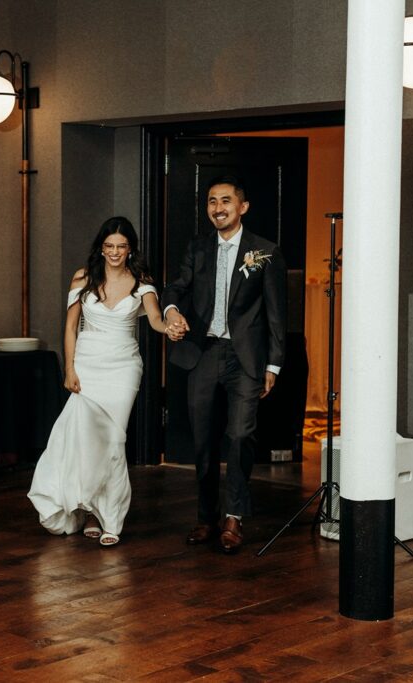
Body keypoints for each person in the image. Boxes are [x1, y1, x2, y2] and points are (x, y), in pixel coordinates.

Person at [161, 174, 287, 554]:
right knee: (202, 440)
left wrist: (274, 365)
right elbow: (175, 288)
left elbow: (277, 314)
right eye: (212, 201)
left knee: (238, 436)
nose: (218, 208)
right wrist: (170, 312)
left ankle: (234, 517)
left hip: (246, 358)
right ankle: (205, 517)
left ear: (242, 207)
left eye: (226, 201)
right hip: (203, 353)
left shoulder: (265, 252)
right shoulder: (198, 249)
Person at [28, 217, 169, 547]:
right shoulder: (83, 277)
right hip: (87, 366)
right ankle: (90, 512)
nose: (115, 252)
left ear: (130, 248)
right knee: (88, 441)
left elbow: (156, 320)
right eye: (109, 246)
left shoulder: (141, 281)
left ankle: (112, 518)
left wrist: (171, 326)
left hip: (123, 368)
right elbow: (70, 327)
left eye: (121, 246)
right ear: (101, 248)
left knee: (113, 441)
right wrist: (69, 369)